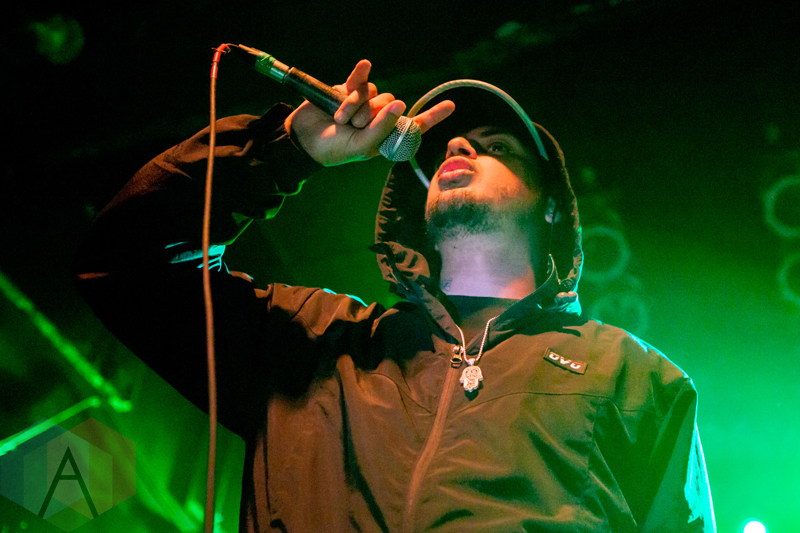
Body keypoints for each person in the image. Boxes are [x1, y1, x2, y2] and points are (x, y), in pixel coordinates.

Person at [75, 60, 715, 532]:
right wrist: (287, 152)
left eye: (497, 147)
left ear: (551, 208)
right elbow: (125, 265)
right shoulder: (318, 340)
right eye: (450, 146)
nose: (458, 145)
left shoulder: (634, 379)